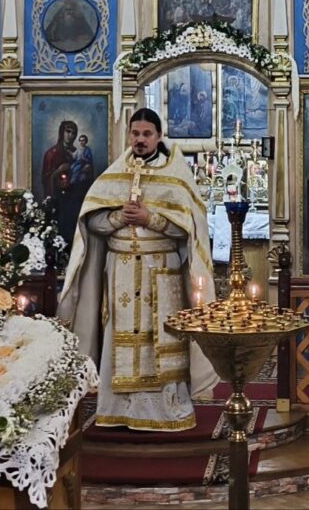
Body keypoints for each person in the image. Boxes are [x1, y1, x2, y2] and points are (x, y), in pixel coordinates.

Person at [57, 108, 217, 431]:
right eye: (135, 133)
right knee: (119, 337)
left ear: (159, 136)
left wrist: (151, 219)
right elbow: (92, 221)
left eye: (147, 134)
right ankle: (118, 410)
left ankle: (165, 411)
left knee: (162, 339)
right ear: (128, 135)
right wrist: (118, 218)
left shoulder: (176, 175)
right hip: (121, 273)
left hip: (162, 272)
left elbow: (190, 230)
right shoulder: (115, 174)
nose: (140, 140)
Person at [41, 120, 77, 198]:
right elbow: (45, 179)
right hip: (57, 195)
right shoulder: (51, 153)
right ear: (62, 132)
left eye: (73, 133)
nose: (70, 135)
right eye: (68, 131)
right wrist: (58, 171)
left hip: (73, 194)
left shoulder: (77, 152)